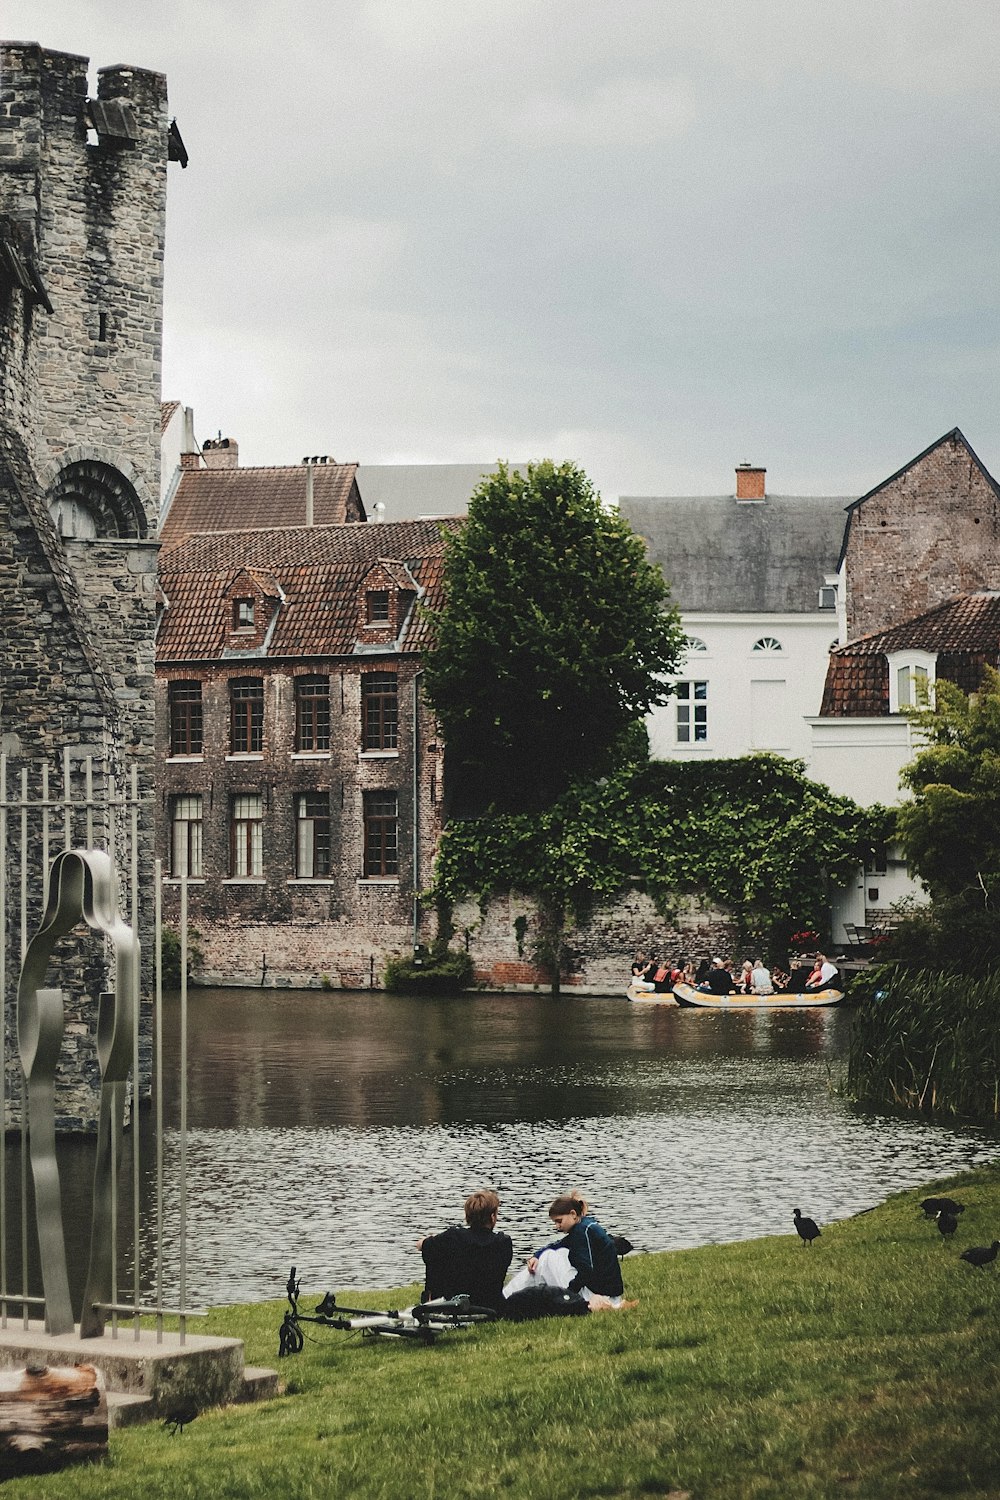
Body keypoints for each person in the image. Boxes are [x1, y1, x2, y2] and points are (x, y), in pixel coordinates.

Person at [503, 1194, 629, 1310]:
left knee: (547, 1258)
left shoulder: (581, 1232)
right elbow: (559, 1244)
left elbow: (586, 1271)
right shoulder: (586, 1226)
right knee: (557, 1253)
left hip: (598, 1296)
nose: (556, 1226)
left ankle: (505, 1297)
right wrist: (536, 1255)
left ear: (573, 1214)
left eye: (559, 1221)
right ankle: (511, 1295)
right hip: (609, 1294)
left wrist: (569, 1293)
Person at [417, 1189, 513, 1312]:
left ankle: (431, 1301)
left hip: (452, 1303)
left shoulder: (453, 1237)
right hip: (489, 1305)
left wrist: (427, 1241)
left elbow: (421, 1245)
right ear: (492, 1216)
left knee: (434, 1251)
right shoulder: (503, 1242)